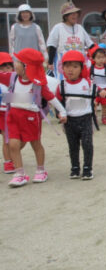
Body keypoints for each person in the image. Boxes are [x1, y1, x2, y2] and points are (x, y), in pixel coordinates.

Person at [0, 48, 67, 187]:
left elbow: (50, 97)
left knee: (35, 144)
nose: (14, 64)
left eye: (17, 62)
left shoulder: (38, 84)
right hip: (13, 115)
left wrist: (62, 111)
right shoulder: (12, 77)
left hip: (31, 117)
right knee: (13, 145)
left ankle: (41, 170)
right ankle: (19, 173)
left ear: (26, 66)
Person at [54, 51, 96, 180]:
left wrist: (103, 92)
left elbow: (97, 91)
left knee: (87, 143)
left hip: (86, 118)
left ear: (82, 68)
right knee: (73, 145)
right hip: (70, 121)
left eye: (75, 66)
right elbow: (58, 104)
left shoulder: (87, 83)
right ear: (62, 68)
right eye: (67, 66)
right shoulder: (62, 86)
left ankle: (88, 167)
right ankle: (75, 168)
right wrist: (60, 115)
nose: (70, 69)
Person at [46, 2, 94, 81]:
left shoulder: (80, 28)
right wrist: (50, 62)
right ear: (66, 16)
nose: (75, 15)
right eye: (72, 14)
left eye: (76, 13)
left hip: (79, 61)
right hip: (64, 62)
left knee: (80, 82)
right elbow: (52, 45)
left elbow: (90, 44)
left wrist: (98, 54)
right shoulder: (58, 27)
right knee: (63, 83)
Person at [88, 46, 106, 125]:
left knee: (104, 105)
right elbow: (88, 78)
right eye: (98, 58)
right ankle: (94, 117)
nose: (101, 60)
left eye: (103, 57)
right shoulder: (91, 68)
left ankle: (104, 117)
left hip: (105, 89)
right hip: (95, 90)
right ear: (93, 59)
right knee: (94, 104)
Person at [0, 53, 15, 174]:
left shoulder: (15, 79)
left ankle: (12, 157)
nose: (5, 70)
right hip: (1, 113)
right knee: (6, 138)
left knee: (13, 138)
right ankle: (7, 162)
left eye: (8, 67)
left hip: (11, 112)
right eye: (2, 67)